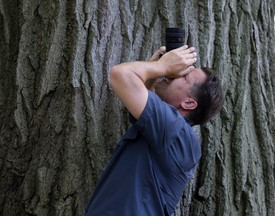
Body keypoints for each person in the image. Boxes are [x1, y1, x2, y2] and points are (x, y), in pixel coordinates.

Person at [85, 45, 224, 216]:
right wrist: (153, 75)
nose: (175, 74)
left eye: (185, 76)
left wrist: (162, 67)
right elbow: (145, 99)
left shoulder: (176, 129)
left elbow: (120, 75)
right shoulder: (167, 131)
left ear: (188, 103)